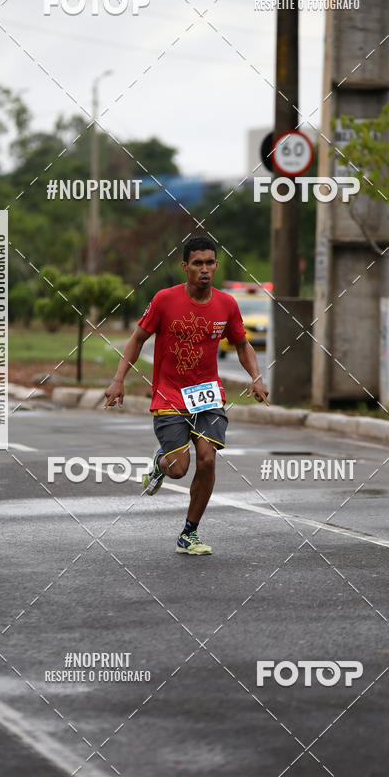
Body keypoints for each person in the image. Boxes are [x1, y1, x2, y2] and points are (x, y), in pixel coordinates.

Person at [103, 236, 269, 556]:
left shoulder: (227, 304)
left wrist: (256, 377)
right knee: (179, 467)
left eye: (210, 263)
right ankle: (160, 462)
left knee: (207, 459)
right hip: (169, 395)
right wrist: (118, 379)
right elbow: (138, 339)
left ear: (216, 266)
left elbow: (241, 343)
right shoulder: (165, 300)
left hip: (207, 396)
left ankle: (189, 534)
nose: (204, 269)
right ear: (185, 267)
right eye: (197, 263)